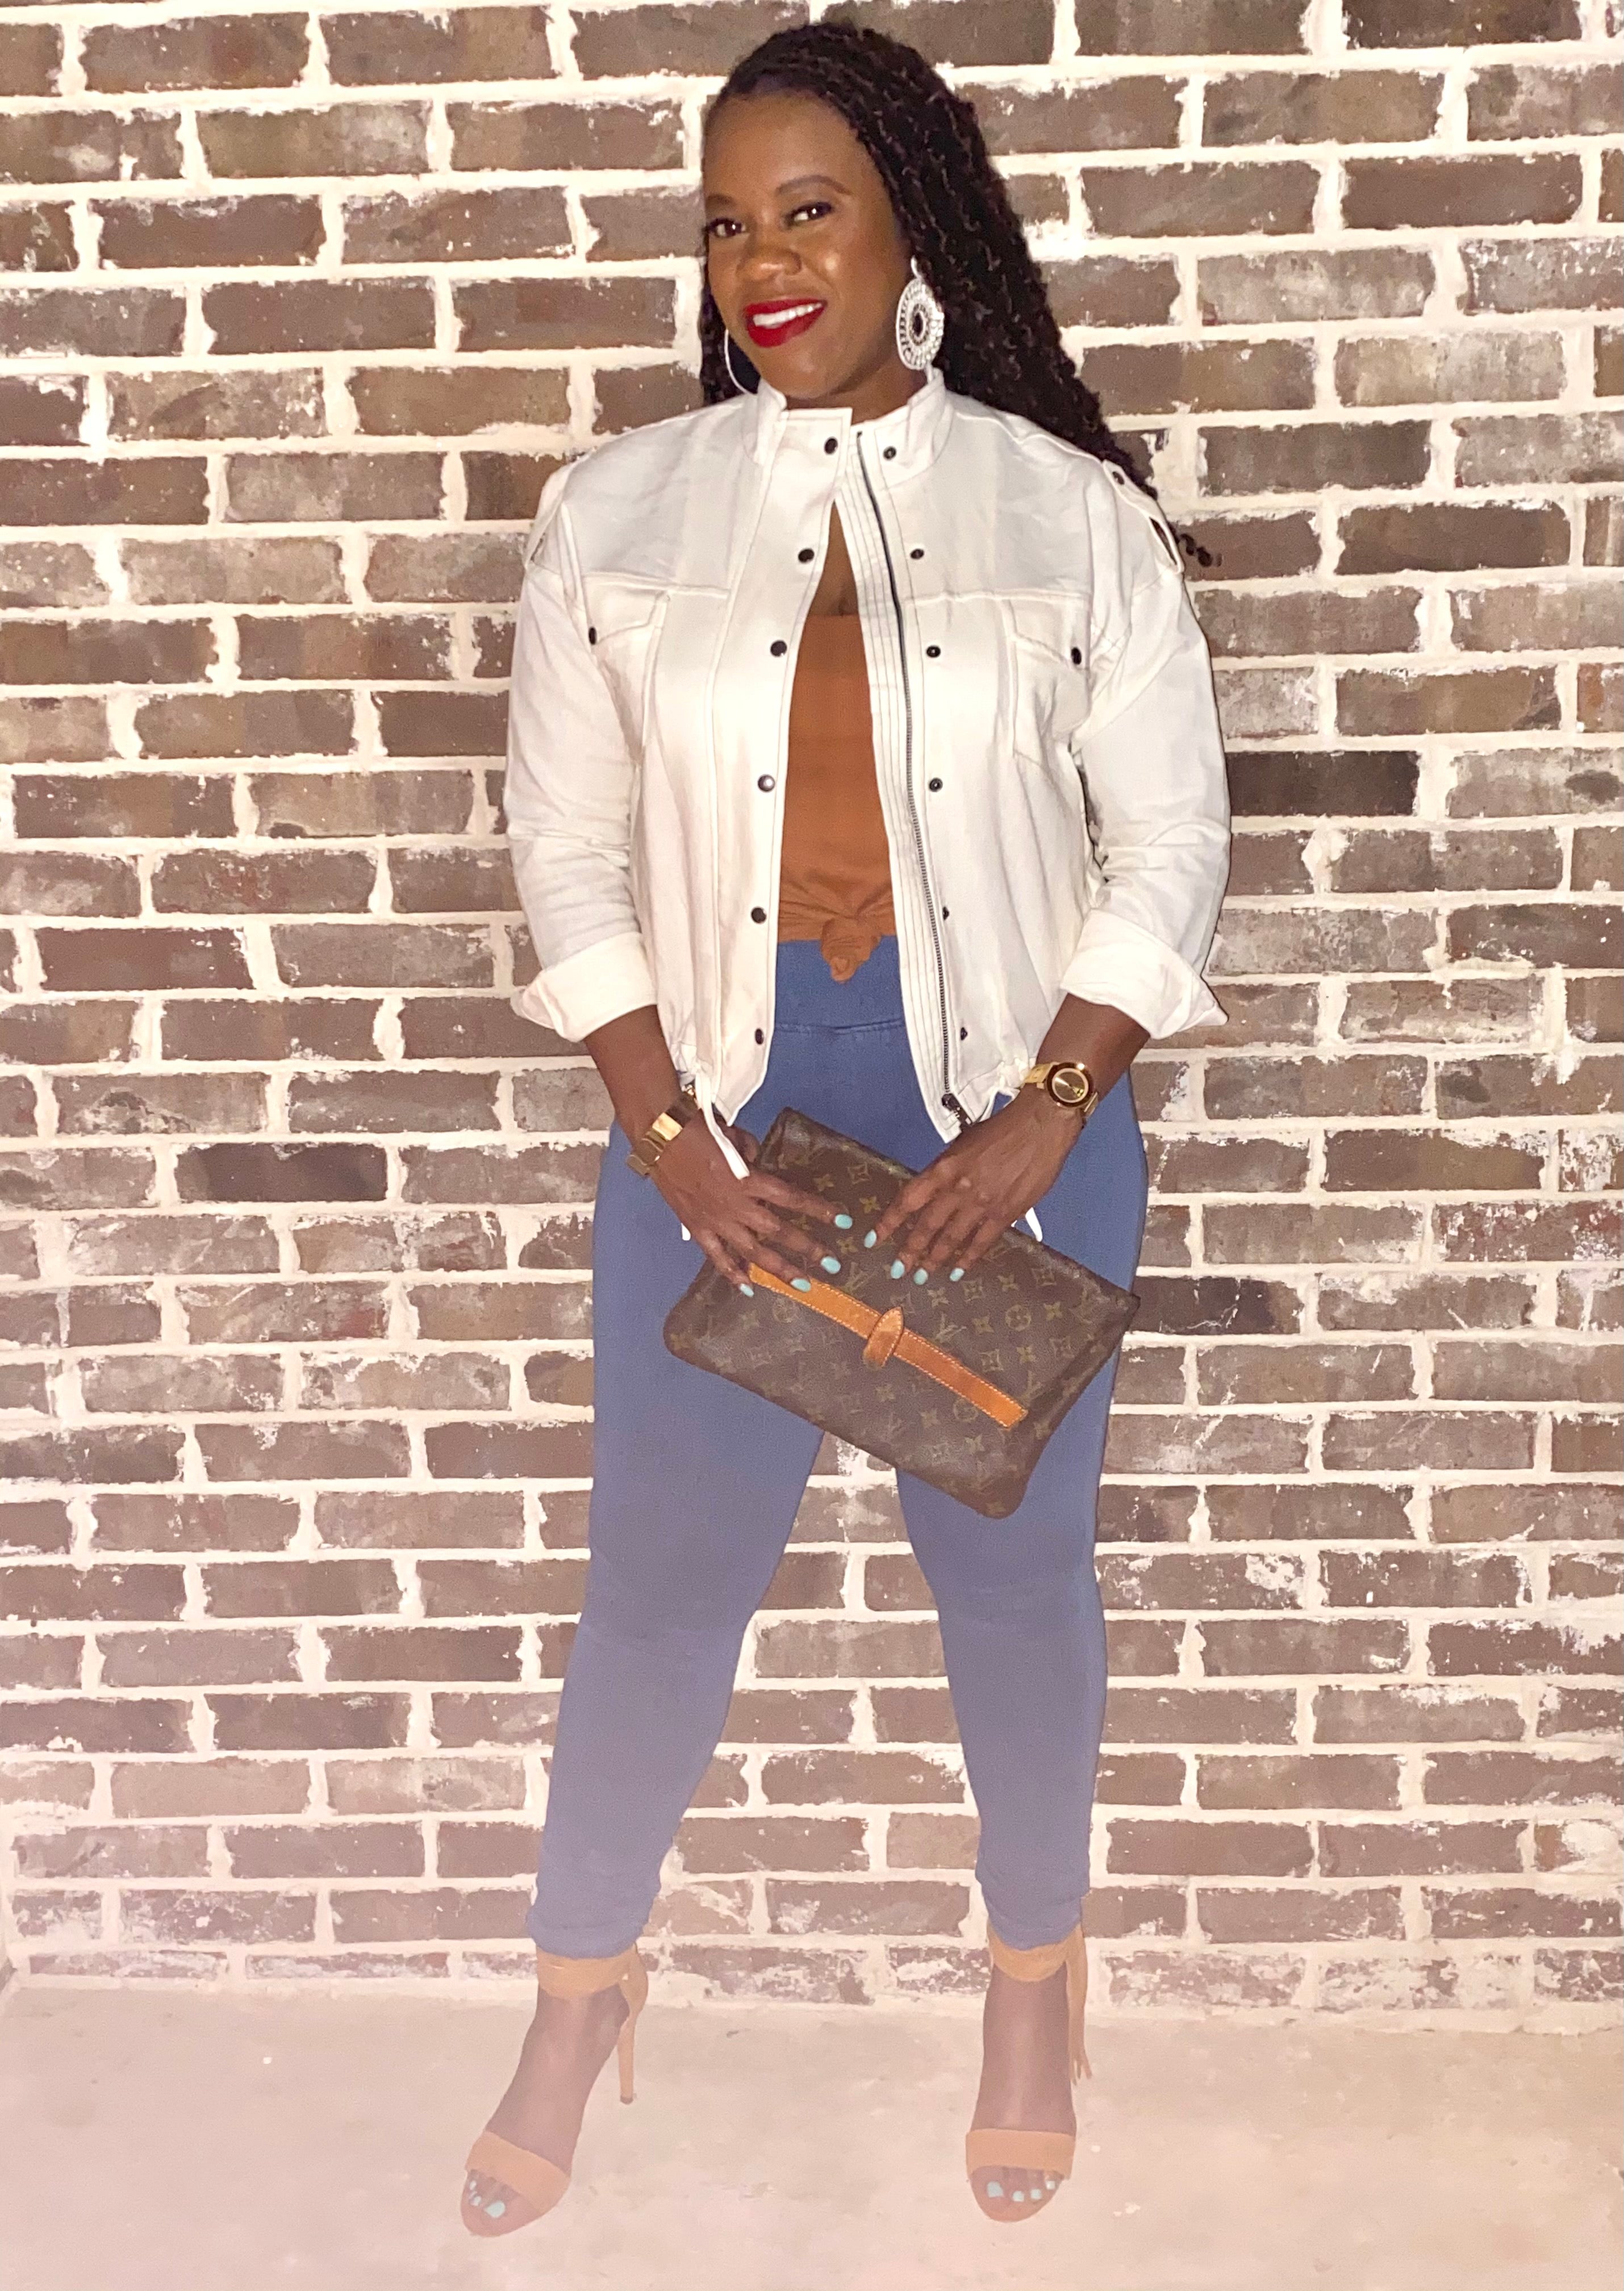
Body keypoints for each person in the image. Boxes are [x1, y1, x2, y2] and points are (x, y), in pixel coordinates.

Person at [461, 18, 1229, 2237]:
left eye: (811, 211)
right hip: (712, 1120)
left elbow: (1169, 845)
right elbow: (567, 853)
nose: (764, 265)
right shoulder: (616, 514)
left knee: (1011, 1582)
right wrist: (670, 1142)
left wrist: (1049, 1114)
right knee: (659, 1583)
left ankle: (1031, 1986)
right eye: (726, 224)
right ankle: (579, 1995)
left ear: (916, 232)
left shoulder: (1065, 518)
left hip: (1010, 1110)